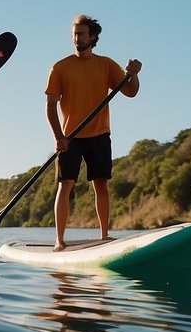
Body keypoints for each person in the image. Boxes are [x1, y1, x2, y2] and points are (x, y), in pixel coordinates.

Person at [44, 14, 142, 250]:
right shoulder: (60, 67)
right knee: (65, 184)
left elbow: (130, 92)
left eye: (81, 34)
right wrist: (59, 137)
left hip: (99, 134)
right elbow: (50, 105)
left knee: (101, 183)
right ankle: (59, 240)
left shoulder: (106, 65)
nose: (77, 39)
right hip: (70, 137)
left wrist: (134, 74)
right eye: (74, 35)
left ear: (93, 36)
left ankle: (104, 235)